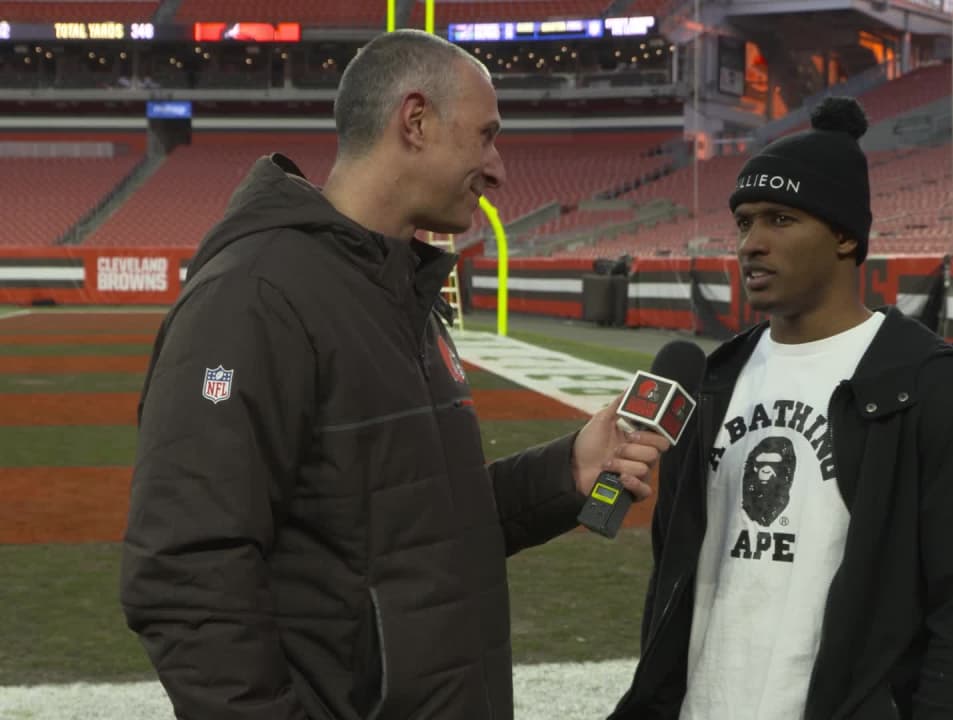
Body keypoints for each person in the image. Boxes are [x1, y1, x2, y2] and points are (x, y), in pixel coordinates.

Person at [119, 30, 670, 720]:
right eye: (485, 135)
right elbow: (184, 571)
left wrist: (568, 471)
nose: (497, 168)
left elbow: (419, 526)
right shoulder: (255, 295)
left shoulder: (396, 287)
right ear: (415, 121)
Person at [610, 97, 953, 720]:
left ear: (846, 235)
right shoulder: (715, 381)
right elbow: (675, 574)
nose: (752, 244)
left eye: (780, 219)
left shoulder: (933, 388)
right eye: (744, 223)